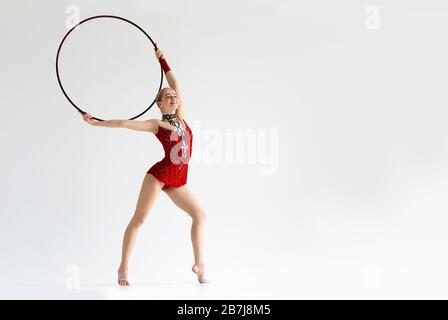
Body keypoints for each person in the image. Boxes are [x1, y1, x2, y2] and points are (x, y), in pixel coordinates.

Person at [81, 46, 208, 286]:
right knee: (139, 219)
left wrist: (163, 60)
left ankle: (200, 265)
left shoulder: (181, 117)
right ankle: (123, 268)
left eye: (175, 96)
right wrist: (95, 123)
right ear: (160, 104)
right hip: (159, 176)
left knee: (200, 215)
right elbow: (124, 124)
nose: (173, 97)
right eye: (168, 96)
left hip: (178, 180)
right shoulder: (155, 124)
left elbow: (174, 80)